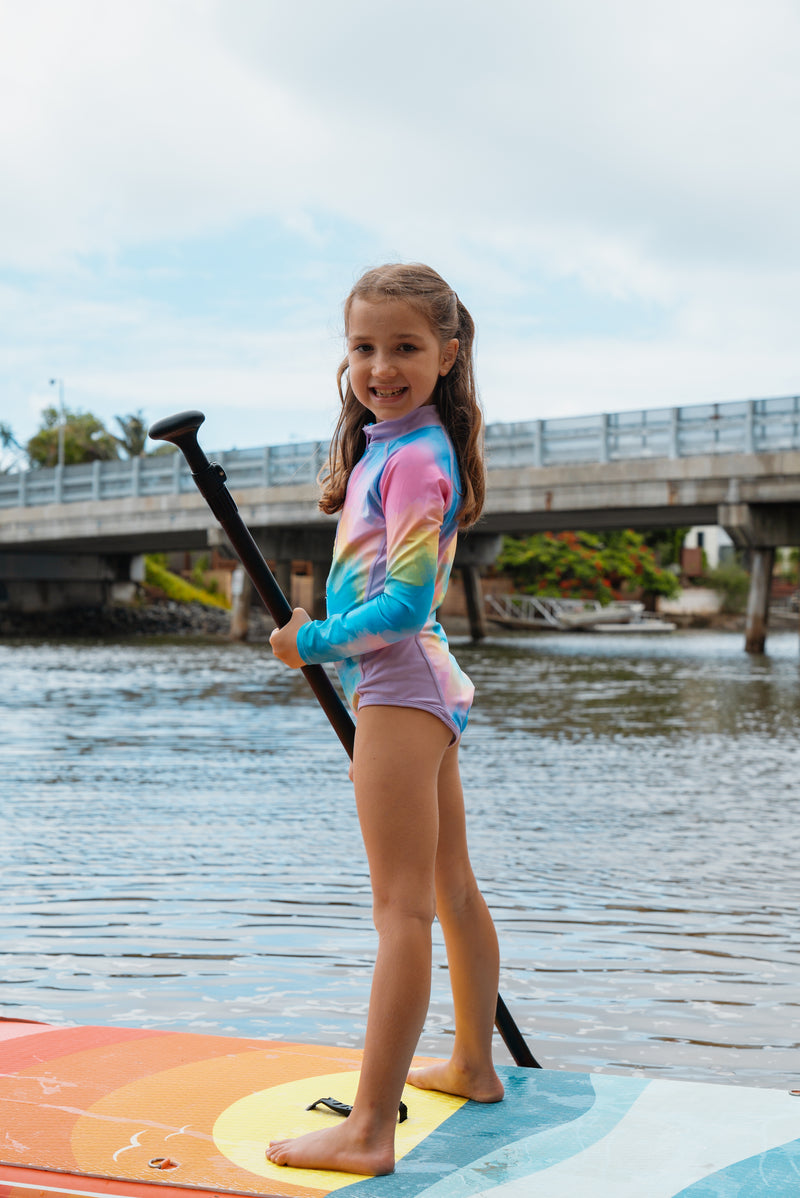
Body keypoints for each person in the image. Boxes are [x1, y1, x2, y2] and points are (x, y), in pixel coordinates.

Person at [268, 263, 504, 1177]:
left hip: (400, 685)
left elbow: (402, 604)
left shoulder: (412, 459)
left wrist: (312, 641)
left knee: (399, 909)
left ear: (447, 354)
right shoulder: (400, 445)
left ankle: (369, 1129)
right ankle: (475, 1065)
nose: (381, 366)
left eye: (405, 347)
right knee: (450, 887)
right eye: (364, 348)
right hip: (424, 686)